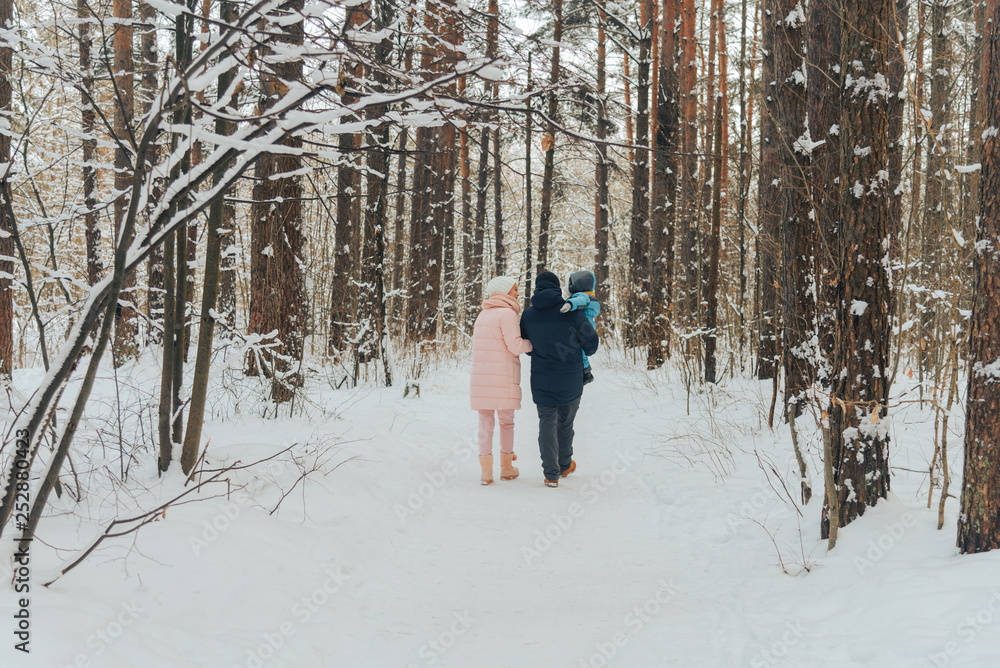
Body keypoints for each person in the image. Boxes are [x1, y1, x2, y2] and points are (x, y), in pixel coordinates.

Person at [519, 271, 599, 488]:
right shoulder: (572, 312)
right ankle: (564, 464)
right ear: (557, 288)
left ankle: (551, 475)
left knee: (546, 422)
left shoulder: (528, 315)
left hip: (541, 379)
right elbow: (591, 346)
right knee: (565, 422)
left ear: (537, 288)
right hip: (570, 379)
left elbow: (527, 348)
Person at [470, 276, 533, 485]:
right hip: (503, 378)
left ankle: (485, 473)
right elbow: (515, 346)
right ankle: (506, 468)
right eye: (514, 289)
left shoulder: (482, 315)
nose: (517, 293)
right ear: (504, 292)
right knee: (506, 422)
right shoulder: (507, 314)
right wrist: (531, 344)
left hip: (482, 378)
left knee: (485, 423)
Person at [559, 270, 601, 386]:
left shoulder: (582, 296)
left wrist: (570, 304)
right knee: (579, 350)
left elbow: (580, 301)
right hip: (587, 326)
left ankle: (586, 373)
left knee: (578, 350)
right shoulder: (589, 296)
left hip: (583, 327)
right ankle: (586, 373)